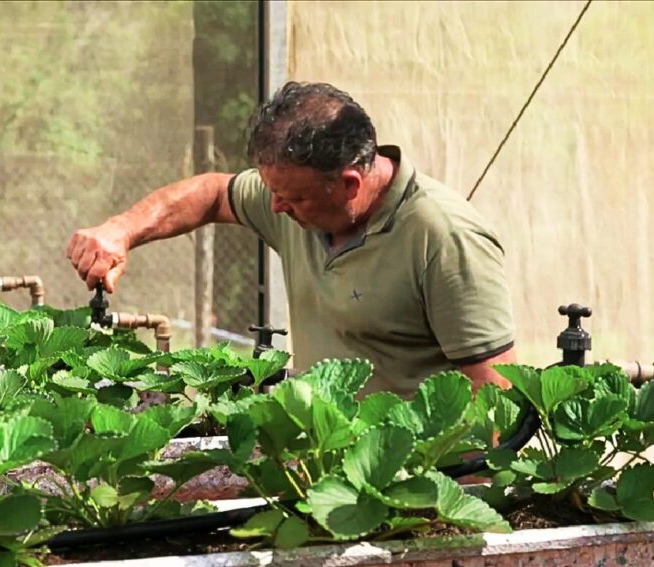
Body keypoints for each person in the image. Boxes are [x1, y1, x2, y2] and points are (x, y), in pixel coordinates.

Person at [66, 81, 515, 397]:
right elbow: (211, 193)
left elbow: (495, 390)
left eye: (292, 197)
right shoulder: (296, 202)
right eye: (272, 192)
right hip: (322, 466)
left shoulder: (443, 237)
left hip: (411, 488)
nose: (276, 208)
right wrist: (121, 230)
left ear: (349, 184)